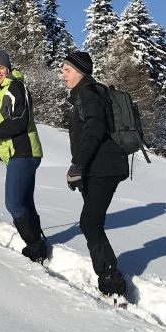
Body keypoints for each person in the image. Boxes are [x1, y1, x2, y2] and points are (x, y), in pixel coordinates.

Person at [61, 50, 129, 297]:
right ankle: (108, 273)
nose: (63, 75)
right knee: (92, 222)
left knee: (90, 222)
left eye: (67, 70)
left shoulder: (89, 94)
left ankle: (111, 278)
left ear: (80, 72)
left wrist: (77, 165)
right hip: (98, 167)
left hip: (105, 167)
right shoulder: (86, 94)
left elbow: (94, 130)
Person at [0, 49, 49, 263]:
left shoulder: (15, 86)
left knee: (14, 204)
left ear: (8, 68)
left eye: (1, 67)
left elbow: (19, 120)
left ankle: (35, 247)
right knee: (26, 202)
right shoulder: (1, 90)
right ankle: (38, 243)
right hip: (19, 153)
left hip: (23, 152)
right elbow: (8, 120)